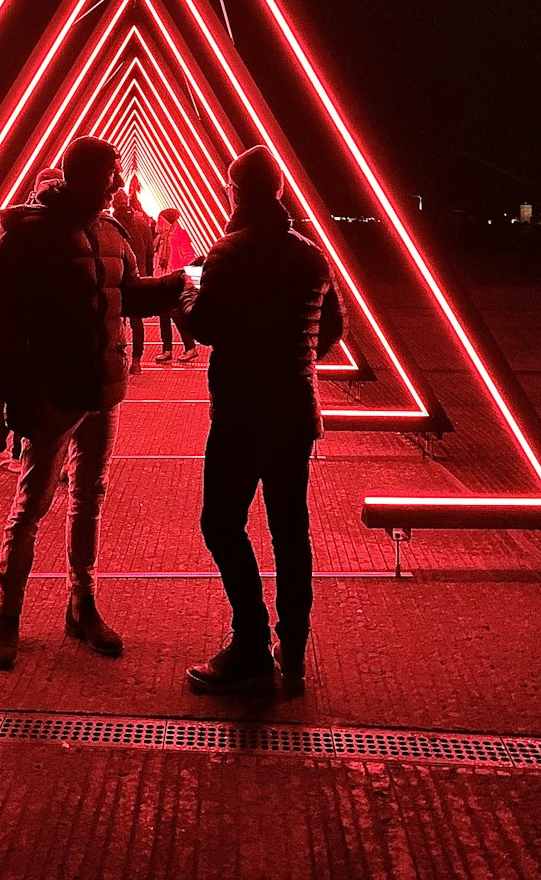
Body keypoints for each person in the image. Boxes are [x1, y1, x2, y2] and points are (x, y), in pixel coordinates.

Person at [0, 136, 189, 670]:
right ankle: (8, 616)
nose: (119, 184)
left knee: (90, 499)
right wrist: (16, 399)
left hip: (103, 390)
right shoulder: (25, 238)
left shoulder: (113, 233)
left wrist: (180, 284)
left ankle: (82, 603)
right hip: (52, 392)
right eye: (110, 174)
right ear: (81, 176)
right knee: (33, 504)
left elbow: (130, 295)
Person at [180, 145, 344, 696]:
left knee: (221, 523)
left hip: (240, 414)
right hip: (296, 412)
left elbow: (203, 328)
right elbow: (331, 330)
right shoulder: (312, 257)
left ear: (235, 191)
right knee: (290, 532)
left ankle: (249, 639)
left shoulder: (228, 254)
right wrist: (292, 357)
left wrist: (185, 296)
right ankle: (292, 650)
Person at [0, 167, 64, 471]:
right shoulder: (55, 224)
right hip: (38, 321)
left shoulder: (10, 222)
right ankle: (20, 451)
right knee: (34, 386)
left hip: (8, 317)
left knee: (6, 386)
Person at [111, 188, 154, 374]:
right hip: (139, 276)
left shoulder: (110, 224)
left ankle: (118, 359)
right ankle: (137, 361)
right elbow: (150, 252)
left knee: (116, 320)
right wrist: (148, 276)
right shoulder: (142, 223)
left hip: (117, 277)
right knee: (137, 321)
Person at [154, 207, 198, 363]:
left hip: (173, 281)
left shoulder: (180, 235)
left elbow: (190, 255)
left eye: (161, 219)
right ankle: (167, 349)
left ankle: (190, 348)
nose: (158, 222)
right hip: (161, 280)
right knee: (163, 316)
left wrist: (176, 270)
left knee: (176, 316)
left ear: (168, 221)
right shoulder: (161, 237)